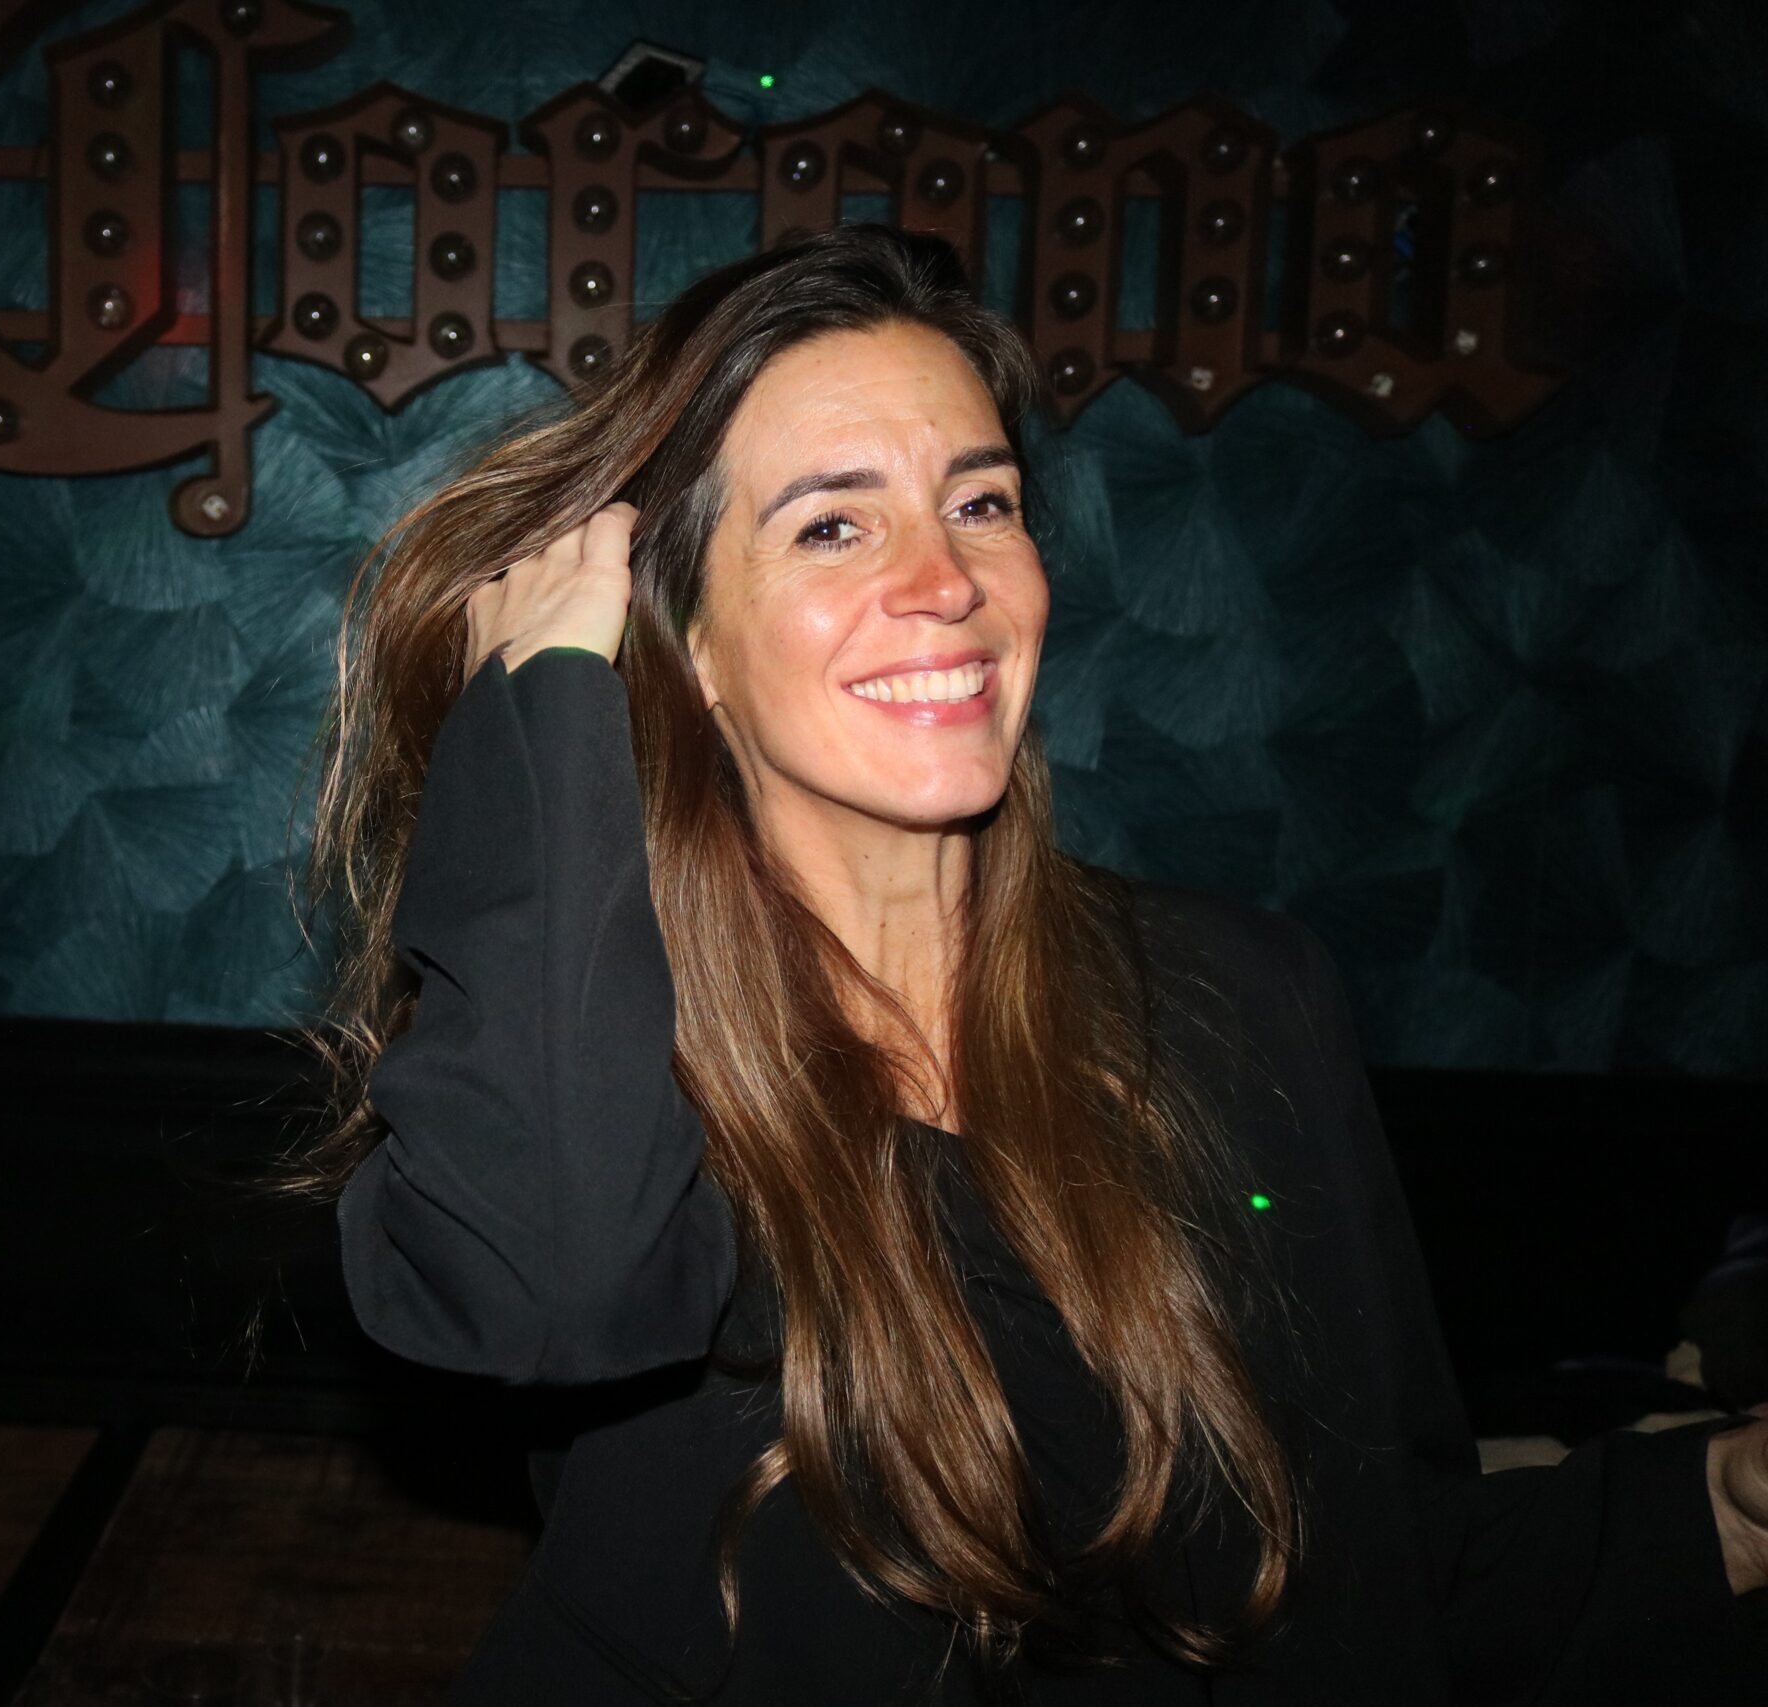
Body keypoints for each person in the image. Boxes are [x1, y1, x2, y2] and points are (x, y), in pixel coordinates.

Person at [295, 223, 1768, 1701]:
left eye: (981, 503)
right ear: (695, 645)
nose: (946, 580)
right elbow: (552, 1295)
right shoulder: (602, 1044)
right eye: (833, 526)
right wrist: (547, 696)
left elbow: (1386, 1576)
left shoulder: (1240, 996)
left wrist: (1717, 1506)